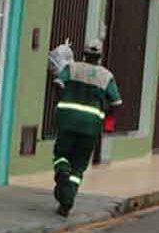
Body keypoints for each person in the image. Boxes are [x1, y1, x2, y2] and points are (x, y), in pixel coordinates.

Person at [51, 40, 122, 217]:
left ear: (83, 54)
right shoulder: (106, 75)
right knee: (79, 166)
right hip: (90, 127)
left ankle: (62, 171)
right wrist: (104, 114)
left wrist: (64, 101)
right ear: (100, 56)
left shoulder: (72, 68)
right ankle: (67, 202)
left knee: (61, 154)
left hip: (67, 121)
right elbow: (117, 102)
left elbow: (58, 83)